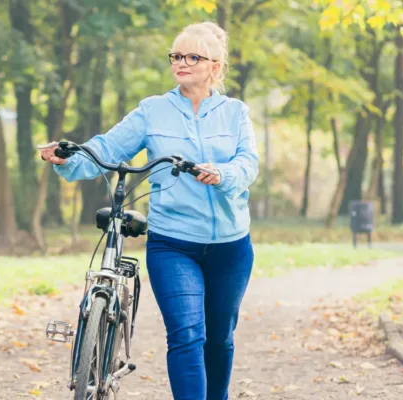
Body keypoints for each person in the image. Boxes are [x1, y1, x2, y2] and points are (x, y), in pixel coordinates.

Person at [40, 21, 259, 400]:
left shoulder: (235, 113)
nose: (182, 63)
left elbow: (248, 163)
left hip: (230, 245)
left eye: (193, 57)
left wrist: (222, 173)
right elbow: (107, 149)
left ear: (215, 66)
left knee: (219, 337)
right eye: (177, 56)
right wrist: (67, 158)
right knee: (187, 334)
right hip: (173, 244)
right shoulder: (153, 111)